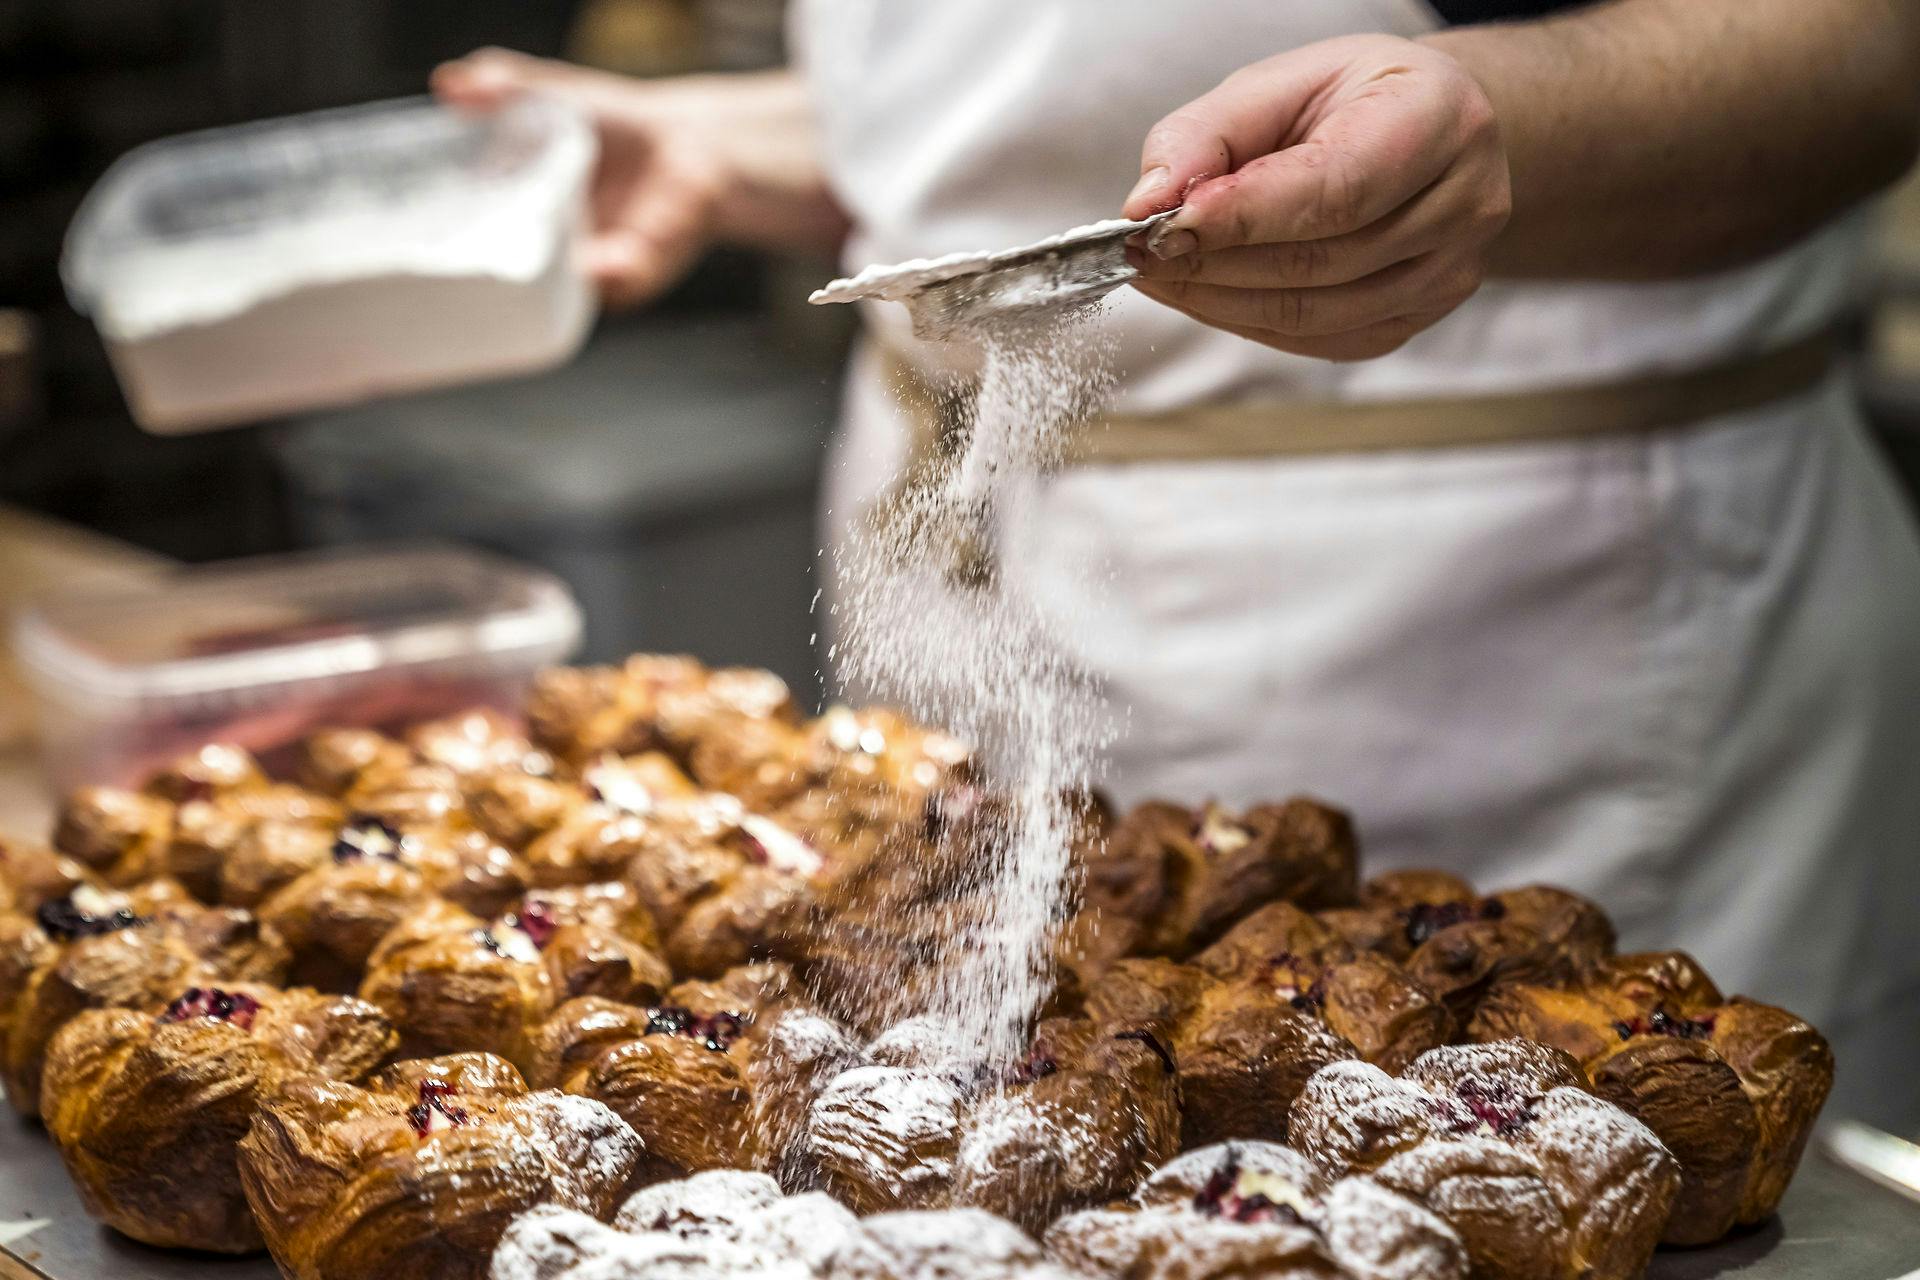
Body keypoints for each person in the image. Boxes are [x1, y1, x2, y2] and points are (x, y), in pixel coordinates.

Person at [434, 0, 1920, 1129]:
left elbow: (1869, 50)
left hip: (1488, 593)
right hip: (966, 540)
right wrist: (734, 140)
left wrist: (1501, 132)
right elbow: (1028, 81)